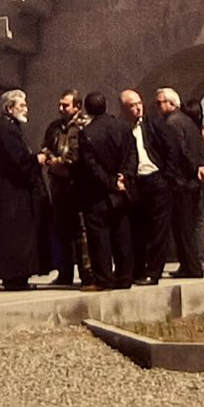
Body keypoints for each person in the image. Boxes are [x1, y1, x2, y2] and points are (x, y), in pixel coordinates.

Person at [0, 89, 53, 290]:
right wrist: (37, 160)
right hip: (9, 195)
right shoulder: (5, 129)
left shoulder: (8, 127)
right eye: (21, 106)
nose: (26, 109)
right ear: (9, 108)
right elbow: (18, 160)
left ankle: (17, 277)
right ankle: (16, 278)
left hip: (10, 193)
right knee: (15, 237)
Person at [74, 90, 135, 291]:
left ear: (87, 109)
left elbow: (91, 166)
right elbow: (132, 155)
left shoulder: (87, 134)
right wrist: (124, 176)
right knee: (122, 234)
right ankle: (125, 277)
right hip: (121, 189)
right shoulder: (123, 127)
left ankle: (104, 279)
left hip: (97, 193)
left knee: (99, 237)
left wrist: (109, 182)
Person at [119, 88, 176, 286]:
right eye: (132, 106)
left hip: (156, 179)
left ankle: (154, 272)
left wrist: (167, 177)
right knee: (137, 228)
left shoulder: (155, 124)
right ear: (124, 109)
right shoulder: (123, 128)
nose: (137, 109)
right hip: (136, 182)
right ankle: (138, 269)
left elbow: (171, 149)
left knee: (158, 228)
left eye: (139, 104)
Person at [38, 88, 91, 286]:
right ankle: (65, 272)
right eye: (60, 105)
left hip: (77, 185)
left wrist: (62, 162)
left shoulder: (85, 126)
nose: (61, 108)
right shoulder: (54, 127)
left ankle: (87, 272)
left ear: (77, 106)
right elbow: (45, 148)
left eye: (65, 105)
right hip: (59, 187)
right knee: (62, 230)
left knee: (82, 231)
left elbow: (80, 156)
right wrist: (52, 161)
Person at [155, 88, 204, 279]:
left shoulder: (172, 123)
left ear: (171, 103)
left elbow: (179, 151)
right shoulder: (188, 122)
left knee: (182, 227)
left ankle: (191, 267)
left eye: (160, 102)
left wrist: (176, 175)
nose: (158, 107)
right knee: (188, 226)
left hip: (182, 183)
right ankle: (190, 265)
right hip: (192, 183)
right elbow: (200, 149)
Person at [180, 96, 204, 272]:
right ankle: (197, 258)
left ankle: (190, 260)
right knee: (199, 221)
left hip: (186, 181)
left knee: (189, 221)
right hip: (201, 181)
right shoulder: (203, 133)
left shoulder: (184, 133)